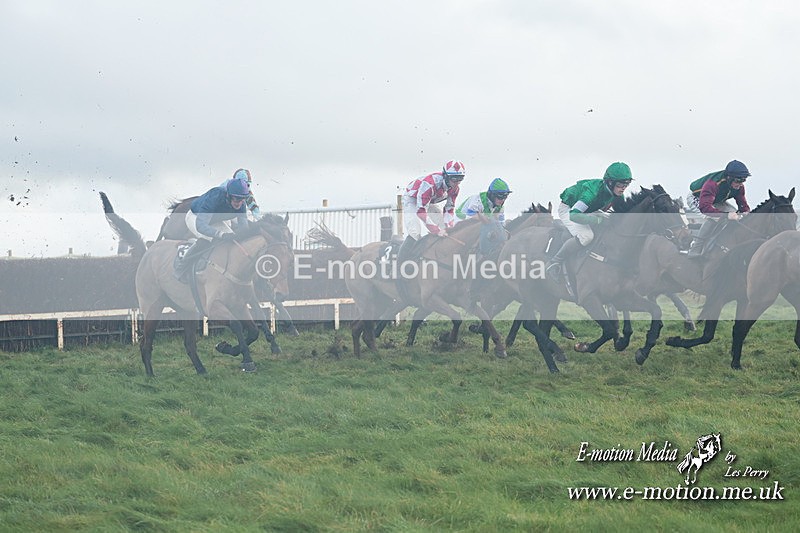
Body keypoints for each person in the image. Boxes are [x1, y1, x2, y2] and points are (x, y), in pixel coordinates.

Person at [545, 162, 634, 279]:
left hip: (589, 209)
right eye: (620, 184)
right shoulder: (591, 193)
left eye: (626, 184)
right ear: (610, 182)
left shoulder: (617, 195)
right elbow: (574, 215)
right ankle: (554, 262)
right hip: (569, 209)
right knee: (587, 236)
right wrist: (598, 221)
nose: (623, 188)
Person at [396, 160, 466, 264]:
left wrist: (449, 228)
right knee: (415, 233)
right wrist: (436, 231)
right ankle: (398, 267)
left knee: (446, 230)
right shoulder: (429, 183)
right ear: (446, 176)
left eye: (460, 179)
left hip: (428, 202)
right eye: (454, 178)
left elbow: (449, 209)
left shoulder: (455, 189)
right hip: (412, 200)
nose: (457, 183)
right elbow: (421, 211)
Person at [177, 176, 252, 270]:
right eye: (236, 199)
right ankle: (182, 265)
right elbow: (200, 225)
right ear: (228, 195)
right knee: (209, 240)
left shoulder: (241, 204)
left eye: (242, 199)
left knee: (233, 242)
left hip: (215, 221)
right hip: (195, 218)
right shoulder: (215, 195)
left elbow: (244, 229)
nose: (239, 203)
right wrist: (221, 235)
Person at [686, 160, 751, 258]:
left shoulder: (739, 187)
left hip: (716, 200)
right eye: (738, 180)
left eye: (743, 180)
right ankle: (696, 248)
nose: (740, 184)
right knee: (714, 217)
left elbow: (743, 205)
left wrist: (747, 213)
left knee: (734, 215)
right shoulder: (712, 184)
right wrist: (726, 215)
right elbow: (705, 208)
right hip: (698, 198)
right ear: (729, 178)